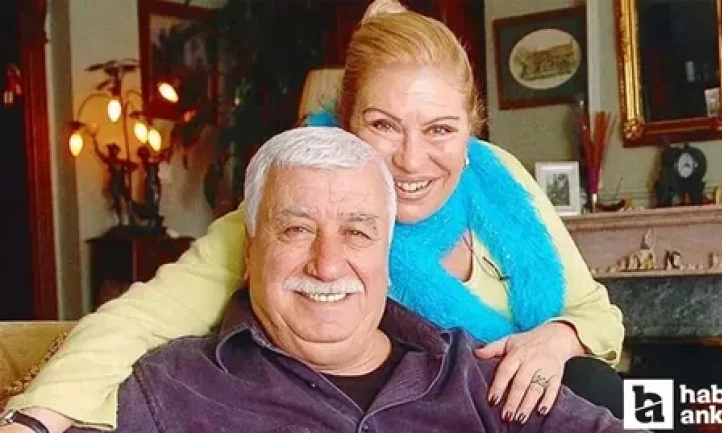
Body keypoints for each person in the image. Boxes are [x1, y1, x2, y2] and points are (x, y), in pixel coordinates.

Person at [1, 1, 625, 431]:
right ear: (345, 123)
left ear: (471, 130)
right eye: (383, 125)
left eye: (440, 128)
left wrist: (556, 339)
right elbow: (136, 321)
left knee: (624, 395)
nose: (412, 160)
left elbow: (598, 315)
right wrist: (36, 417)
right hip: (431, 410)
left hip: (536, 400)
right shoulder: (288, 215)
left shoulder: (499, 177)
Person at [58, 127, 637, 433]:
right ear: (251, 249)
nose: (328, 264)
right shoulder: (171, 387)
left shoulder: (471, 376)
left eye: (357, 232)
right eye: (296, 229)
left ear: (387, 252)